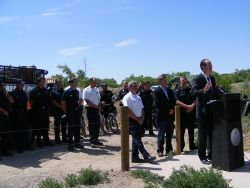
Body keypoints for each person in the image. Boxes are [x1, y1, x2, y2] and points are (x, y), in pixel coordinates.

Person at [191, 59, 218, 165]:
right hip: (202, 112)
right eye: (209, 64)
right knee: (202, 135)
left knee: (212, 134)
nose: (211, 66)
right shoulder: (197, 78)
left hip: (212, 111)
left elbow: (214, 93)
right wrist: (204, 90)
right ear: (203, 67)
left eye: (211, 64)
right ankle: (202, 156)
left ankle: (211, 155)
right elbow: (193, 92)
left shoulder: (212, 78)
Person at [122, 80, 156, 163]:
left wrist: (142, 118)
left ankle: (135, 157)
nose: (136, 87)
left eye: (136, 86)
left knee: (136, 139)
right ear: (129, 88)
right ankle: (146, 155)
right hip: (132, 120)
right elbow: (128, 111)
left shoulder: (138, 97)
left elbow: (142, 108)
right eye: (134, 86)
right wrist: (137, 119)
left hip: (140, 119)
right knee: (137, 139)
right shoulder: (127, 97)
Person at [153, 74, 176, 157]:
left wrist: (172, 109)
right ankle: (160, 150)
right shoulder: (156, 91)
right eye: (164, 80)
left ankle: (169, 150)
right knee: (161, 135)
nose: (166, 81)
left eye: (166, 80)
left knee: (169, 134)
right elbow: (158, 104)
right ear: (159, 81)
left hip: (170, 116)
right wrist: (168, 111)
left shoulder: (170, 91)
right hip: (162, 116)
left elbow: (173, 101)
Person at [9, 80, 33, 153]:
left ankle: (26, 145)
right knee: (18, 132)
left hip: (25, 114)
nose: (23, 85)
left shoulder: (24, 93)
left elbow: (27, 103)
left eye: (23, 84)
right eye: (21, 84)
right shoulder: (12, 93)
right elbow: (10, 105)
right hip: (17, 114)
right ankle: (19, 147)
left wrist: (29, 111)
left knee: (25, 131)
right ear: (17, 85)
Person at [29, 77, 53, 147]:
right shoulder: (34, 91)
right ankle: (39, 142)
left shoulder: (45, 91)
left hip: (45, 112)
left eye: (44, 81)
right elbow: (31, 103)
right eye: (42, 81)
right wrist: (34, 111)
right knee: (38, 128)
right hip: (37, 112)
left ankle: (46, 141)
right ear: (38, 82)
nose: (44, 83)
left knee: (45, 127)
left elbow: (48, 101)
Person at [175, 76, 197, 152]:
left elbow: (196, 99)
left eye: (185, 80)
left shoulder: (190, 90)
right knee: (181, 131)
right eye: (183, 80)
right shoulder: (177, 91)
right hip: (182, 114)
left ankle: (192, 146)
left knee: (191, 131)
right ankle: (181, 147)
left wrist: (192, 106)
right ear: (180, 82)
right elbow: (177, 101)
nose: (184, 82)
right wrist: (187, 107)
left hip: (191, 113)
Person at [62, 78, 84, 151]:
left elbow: (79, 100)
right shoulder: (66, 92)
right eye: (75, 82)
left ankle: (77, 143)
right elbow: (63, 103)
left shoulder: (77, 91)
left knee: (77, 128)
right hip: (70, 113)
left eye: (76, 82)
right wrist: (65, 111)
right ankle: (70, 145)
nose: (76, 83)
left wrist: (79, 106)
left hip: (77, 112)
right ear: (70, 83)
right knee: (70, 129)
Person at [83, 77, 103, 146]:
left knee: (97, 125)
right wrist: (96, 106)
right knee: (91, 125)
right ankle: (92, 141)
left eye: (96, 82)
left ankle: (96, 140)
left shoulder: (97, 89)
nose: (95, 83)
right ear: (90, 82)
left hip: (97, 109)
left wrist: (99, 108)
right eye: (94, 82)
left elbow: (99, 99)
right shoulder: (86, 90)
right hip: (90, 109)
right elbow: (87, 101)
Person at [51, 79, 67, 144]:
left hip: (64, 111)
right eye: (59, 82)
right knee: (57, 125)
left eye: (61, 82)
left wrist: (65, 108)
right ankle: (57, 139)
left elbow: (66, 100)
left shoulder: (64, 91)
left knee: (64, 125)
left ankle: (64, 138)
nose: (60, 84)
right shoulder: (54, 92)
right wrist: (61, 107)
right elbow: (53, 102)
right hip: (57, 111)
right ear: (56, 83)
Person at [0, 81, 14, 157]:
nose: (1, 88)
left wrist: (6, 93)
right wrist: (3, 110)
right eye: (1, 86)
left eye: (2, 86)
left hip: (5, 117)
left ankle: (5, 151)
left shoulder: (4, 94)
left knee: (5, 135)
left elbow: (12, 101)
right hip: (2, 115)